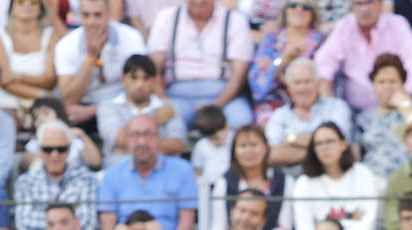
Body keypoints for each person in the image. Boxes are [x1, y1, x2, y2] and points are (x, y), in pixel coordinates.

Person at [97, 113, 197, 230]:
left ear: (159, 138)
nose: (142, 142)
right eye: (135, 135)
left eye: (148, 134)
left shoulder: (183, 171)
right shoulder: (112, 175)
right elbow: (107, 226)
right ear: (127, 139)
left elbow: (186, 223)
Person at [147, 0, 253, 129]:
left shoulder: (235, 20)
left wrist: (217, 106)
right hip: (178, 96)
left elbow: (240, 73)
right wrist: (164, 103)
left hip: (224, 94)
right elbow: (153, 68)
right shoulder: (167, 18)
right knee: (166, 123)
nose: (198, 1)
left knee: (242, 122)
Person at [287, 121, 384, 230]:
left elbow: (367, 226)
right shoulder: (304, 183)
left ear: (343, 144)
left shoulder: (362, 173)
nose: (324, 148)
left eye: (329, 141)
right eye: (318, 144)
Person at [313, 0, 412, 114]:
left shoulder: (397, 24)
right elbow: (324, 62)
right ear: (352, 7)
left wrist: (405, 96)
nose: (364, 9)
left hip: (396, 109)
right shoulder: (344, 27)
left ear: (381, 4)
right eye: (359, 4)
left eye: (369, 2)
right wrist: (330, 105)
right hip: (355, 112)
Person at [54, 0, 147, 128]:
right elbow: (69, 99)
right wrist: (91, 58)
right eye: (86, 15)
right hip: (82, 106)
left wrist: (94, 110)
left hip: (124, 105)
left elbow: (141, 87)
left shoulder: (131, 37)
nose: (92, 22)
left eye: (97, 15)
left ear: (108, 14)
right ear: (79, 15)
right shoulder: (66, 45)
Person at [13, 118, 100, 230]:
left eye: (61, 149)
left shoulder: (86, 179)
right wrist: (69, 221)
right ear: (40, 151)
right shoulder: (25, 182)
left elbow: (89, 224)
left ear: (69, 150)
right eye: (48, 149)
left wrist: (47, 221)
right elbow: (24, 224)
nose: (55, 155)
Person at [263, 58, 352, 171]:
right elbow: (273, 154)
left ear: (318, 84)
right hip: (291, 180)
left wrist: (291, 140)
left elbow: (340, 143)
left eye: (307, 81)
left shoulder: (337, 107)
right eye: (297, 82)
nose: (302, 88)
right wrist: (324, 150)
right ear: (289, 87)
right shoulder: (279, 115)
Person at [210, 123, 291, 230]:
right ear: (234, 151)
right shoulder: (224, 183)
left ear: (266, 148)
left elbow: (284, 228)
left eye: (254, 145)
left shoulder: (284, 181)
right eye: (243, 146)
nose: (249, 151)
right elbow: (218, 228)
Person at [98, 53, 186, 162]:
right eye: (134, 78)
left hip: (159, 169)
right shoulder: (108, 106)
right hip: (120, 168)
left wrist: (128, 148)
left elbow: (177, 145)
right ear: (123, 80)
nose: (140, 84)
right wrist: (154, 119)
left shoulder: (167, 106)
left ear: (154, 81)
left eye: (146, 78)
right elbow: (119, 139)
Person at [247, 0, 324, 124]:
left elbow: (325, 78)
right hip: (274, 102)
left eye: (306, 7)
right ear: (285, 11)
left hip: (311, 103)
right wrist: (284, 59)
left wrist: (291, 80)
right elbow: (258, 82)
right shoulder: (272, 39)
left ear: (313, 13)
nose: (299, 10)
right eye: (293, 5)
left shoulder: (321, 42)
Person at [0, 0, 58, 123]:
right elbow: (4, 81)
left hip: (44, 105)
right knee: (7, 122)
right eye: (20, 2)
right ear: (12, 8)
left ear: (40, 8)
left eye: (33, 2)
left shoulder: (51, 35)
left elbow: (50, 79)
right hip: (8, 102)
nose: (27, 5)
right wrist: (40, 94)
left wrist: (16, 76)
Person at [355, 54, 412, 181]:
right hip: (375, 181)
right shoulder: (364, 119)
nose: (387, 87)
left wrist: (405, 105)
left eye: (392, 81)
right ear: (374, 86)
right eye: (381, 82)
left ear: (402, 84)